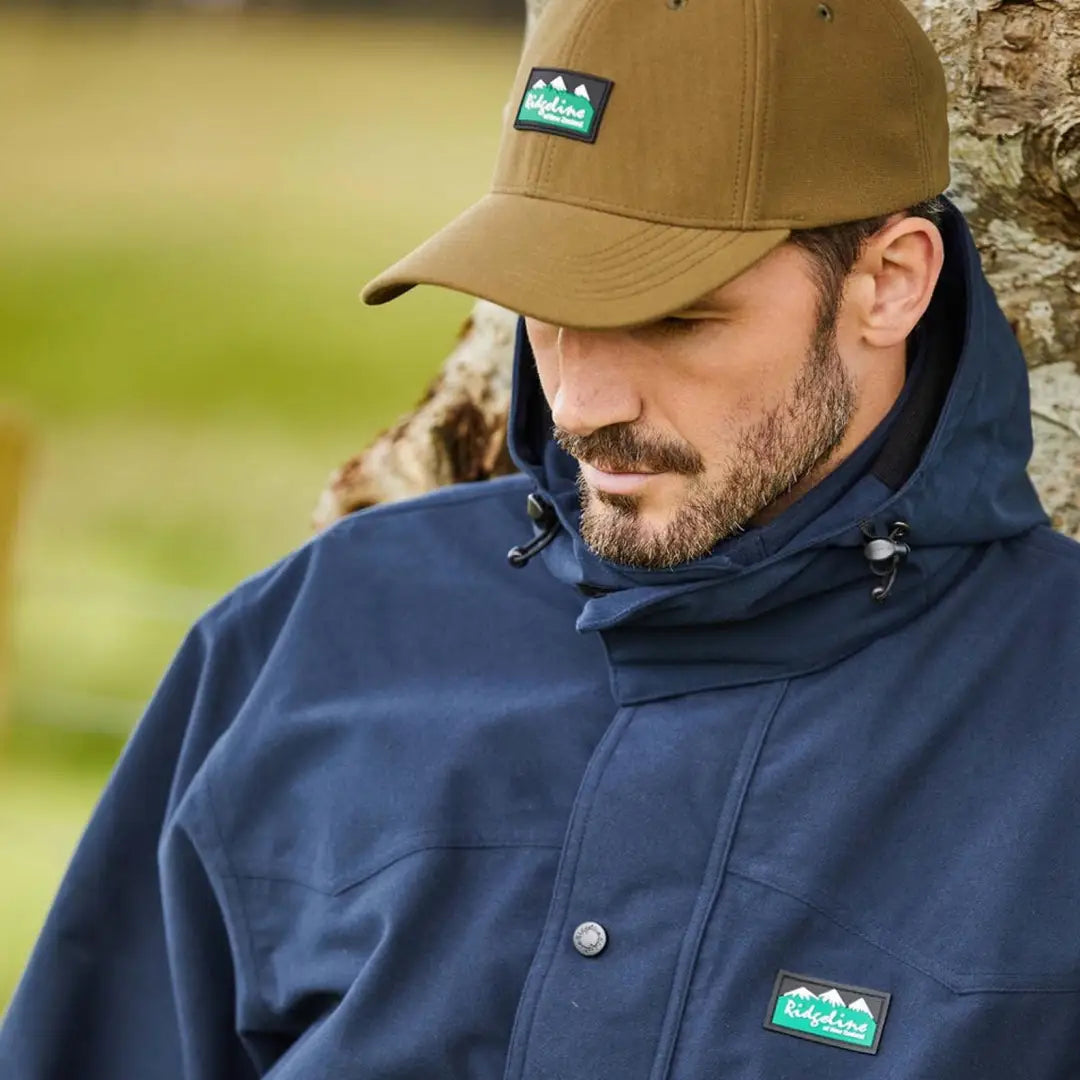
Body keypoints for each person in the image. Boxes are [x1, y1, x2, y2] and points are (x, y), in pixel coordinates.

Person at [4, 0, 1080, 1076]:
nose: (583, 404)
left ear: (889, 281)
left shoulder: (1053, 715)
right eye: (548, 305)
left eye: (678, 318)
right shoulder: (310, 639)